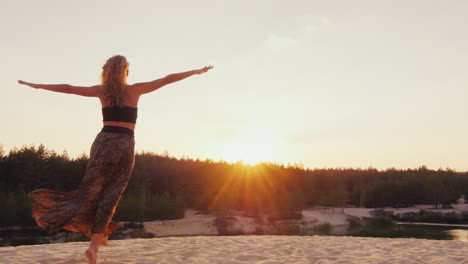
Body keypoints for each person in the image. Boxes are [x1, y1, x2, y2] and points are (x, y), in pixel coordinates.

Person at [18, 55, 213, 264]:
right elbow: (167, 79)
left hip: (103, 142)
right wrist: (195, 72)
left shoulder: (101, 92)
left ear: (106, 71)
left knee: (89, 190)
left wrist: (36, 85)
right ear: (125, 71)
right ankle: (94, 245)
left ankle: (65, 222)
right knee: (111, 194)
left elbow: (69, 88)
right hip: (125, 143)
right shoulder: (135, 90)